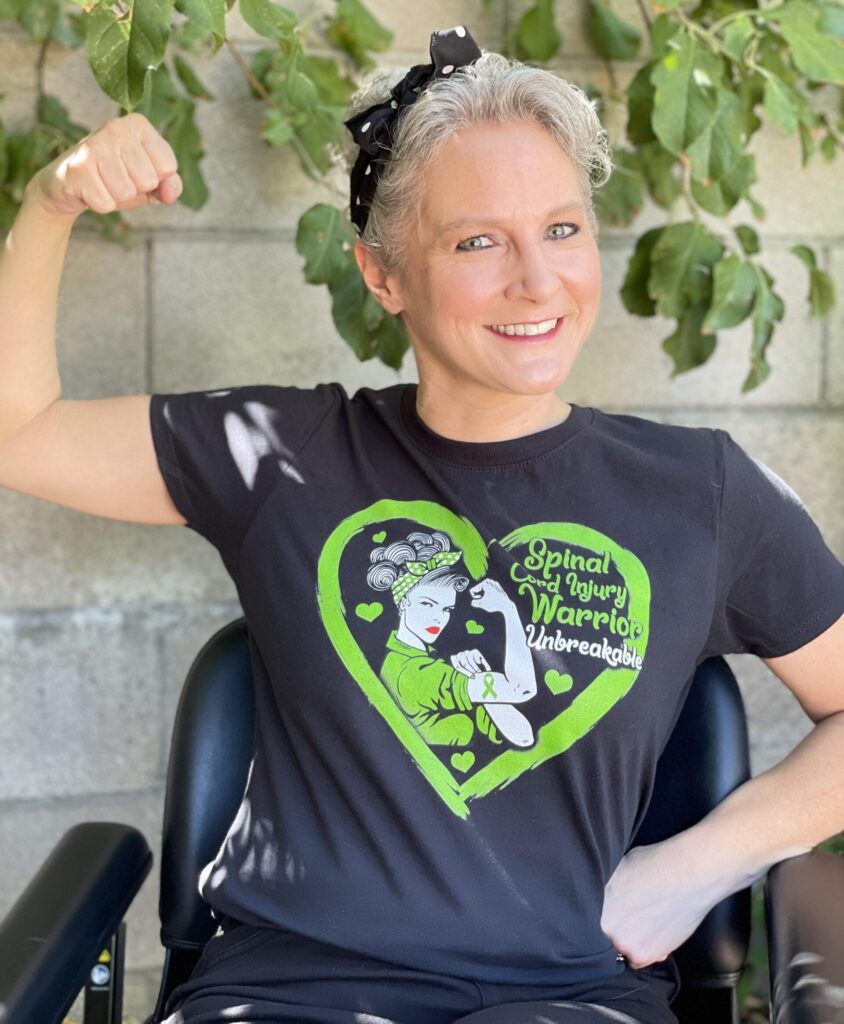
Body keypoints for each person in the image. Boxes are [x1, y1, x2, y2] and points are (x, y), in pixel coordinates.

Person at [1, 22, 842, 1024]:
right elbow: (21, 431)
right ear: (382, 275)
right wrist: (49, 205)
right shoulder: (282, 454)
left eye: (562, 229)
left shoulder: (700, 492)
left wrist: (701, 862)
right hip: (286, 993)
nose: (536, 280)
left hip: (568, 998)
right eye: (476, 241)